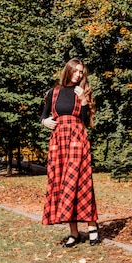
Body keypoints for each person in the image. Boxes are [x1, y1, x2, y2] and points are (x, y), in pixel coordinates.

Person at [41, 57, 99, 247]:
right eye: (76, 71)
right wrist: (44, 121)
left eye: (81, 72)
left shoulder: (82, 92)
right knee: (62, 183)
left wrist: (83, 100)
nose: (79, 74)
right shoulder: (53, 92)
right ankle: (74, 233)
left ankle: (92, 227)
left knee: (81, 181)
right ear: (68, 70)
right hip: (58, 140)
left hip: (77, 138)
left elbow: (85, 120)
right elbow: (44, 114)